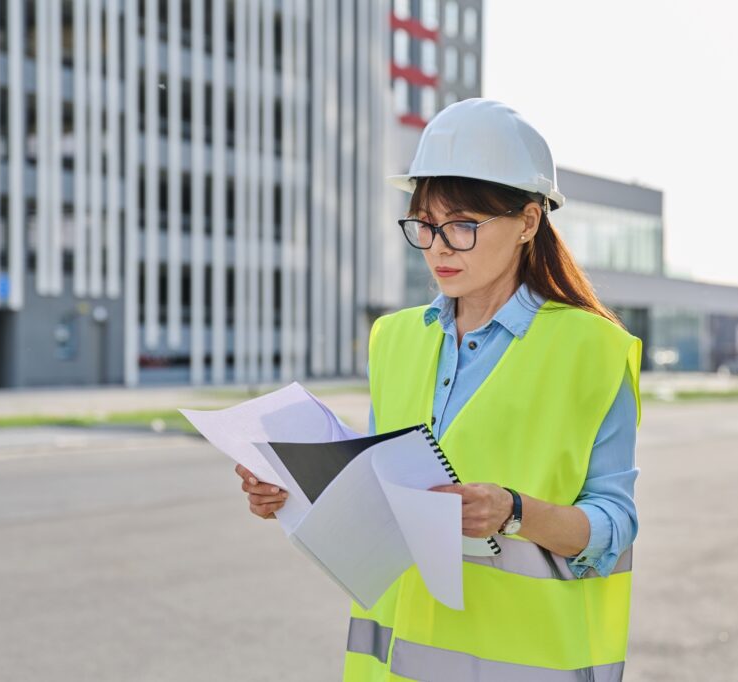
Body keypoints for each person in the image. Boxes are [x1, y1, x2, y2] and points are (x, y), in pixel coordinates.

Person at [236, 98, 642, 681]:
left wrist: (514, 511)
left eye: (462, 226)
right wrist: (294, 488)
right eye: (424, 225)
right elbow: (378, 480)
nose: (438, 247)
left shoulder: (593, 350)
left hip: (523, 664)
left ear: (528, 222)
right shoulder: (394, 339)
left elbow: (614, 523)